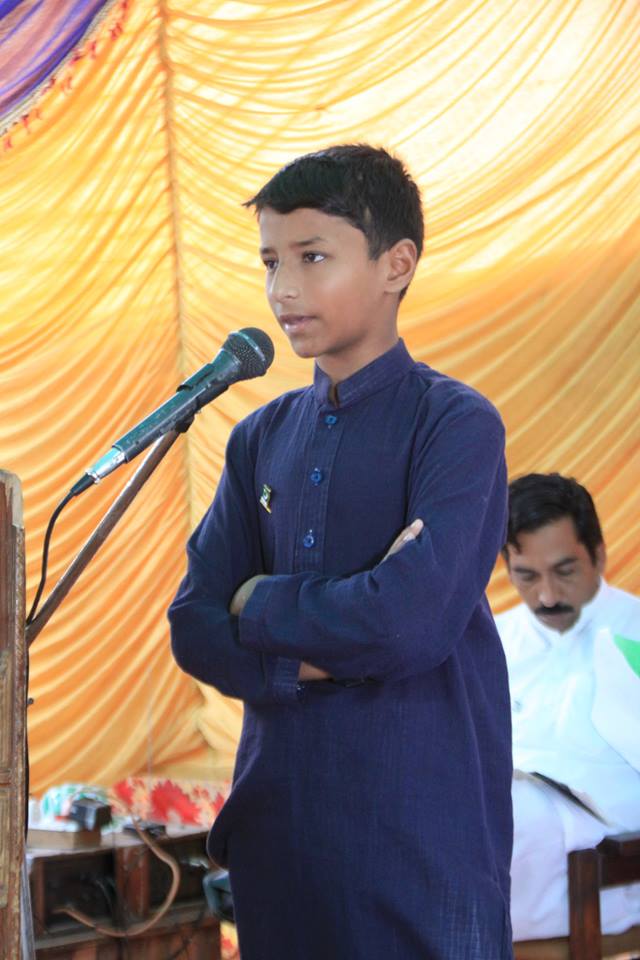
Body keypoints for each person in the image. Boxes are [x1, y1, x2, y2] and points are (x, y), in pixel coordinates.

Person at [169, 144, 513, 959]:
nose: (282, 289)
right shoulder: (259, 438)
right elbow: (194, 627)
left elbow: (411, 625)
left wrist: (259, 603)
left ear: (397, 264)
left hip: (419, 829)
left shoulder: (454, 425)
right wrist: (338, 637)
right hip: (280, 828)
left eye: (312, 257)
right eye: (270, 262)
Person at [495, 472, 640, 941]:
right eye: (527, 576)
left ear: (598, 554)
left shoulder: (634, 630)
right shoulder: (490, 642)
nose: (548, 596)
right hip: (511, 824)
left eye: (565, 571)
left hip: (609, 854)